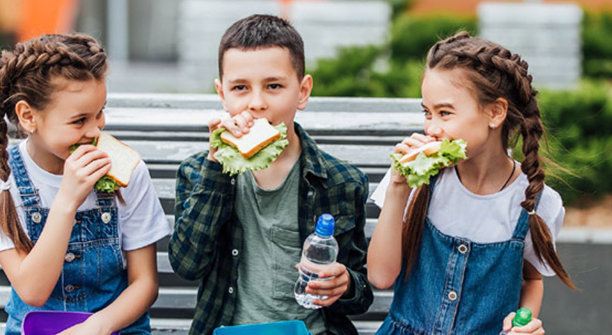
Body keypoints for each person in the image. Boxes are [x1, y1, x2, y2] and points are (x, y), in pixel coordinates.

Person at [168, 14, 373, 335]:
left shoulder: (341, 180)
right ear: (222, 94)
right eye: (240, 88)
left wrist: (345, 284)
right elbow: (188, 266)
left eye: (273, 86)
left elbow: (360, 295)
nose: (257, 103)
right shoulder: (199, 171)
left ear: (303, 91)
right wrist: (216, 164)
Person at [367, 31, 578, 335]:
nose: (431, 128)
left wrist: (523, 322)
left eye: (445, 113)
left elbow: (532, 280)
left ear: (495, 112)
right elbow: (380, 276)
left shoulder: (536, 201)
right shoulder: (416, 178)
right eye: (427, 113)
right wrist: (399, 188)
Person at [0, 33, 170, 335]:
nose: (95, 130)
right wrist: (67, 200)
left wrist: (97, 327)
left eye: (100, 113)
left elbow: (145, 283)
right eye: (79, 121)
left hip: (115, 328)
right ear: (28, 116)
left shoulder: (128, 173)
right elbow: (32, 291)